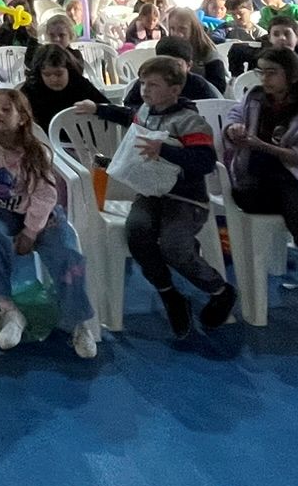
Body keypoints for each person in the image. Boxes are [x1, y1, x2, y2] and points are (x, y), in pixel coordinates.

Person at [73, 55, 236, 337]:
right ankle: (169, 293)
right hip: (151, 193)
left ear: (174, 90)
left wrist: (165, 150)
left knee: (174, 247)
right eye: (143, 83)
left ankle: (219, 290)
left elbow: (205, 162)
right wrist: (97, 108)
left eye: (153, 85)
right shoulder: (147, 111)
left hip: (187, 199)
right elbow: (128, 116)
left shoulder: (190, 121)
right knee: (137, 231)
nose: (145, 90)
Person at [218, 47, 298, 328]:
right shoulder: (254, 98)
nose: (265, 79)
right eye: (261, 72)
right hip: (254, 181)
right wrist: (233, 129)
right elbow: (234, 114)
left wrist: (263, 146)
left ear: (291, 76)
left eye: (272, 73)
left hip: (292, 178)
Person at [0, 88, 99, 357]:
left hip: (43, 215)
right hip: (3, 212)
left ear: (22, 118)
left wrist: (30, 232)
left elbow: (46, 194)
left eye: (6, 109)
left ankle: (78, 321)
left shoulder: (35, 149)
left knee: (66, 251)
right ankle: (7, 308)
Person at [17, 44, 109, 135]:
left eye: (59, 74)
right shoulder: (31, 89)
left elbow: (107, 108)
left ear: (69, 70)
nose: (53, 79)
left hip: (83, 139)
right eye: (47, 74)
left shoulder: (79, 83)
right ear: (40, 74)